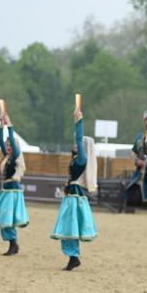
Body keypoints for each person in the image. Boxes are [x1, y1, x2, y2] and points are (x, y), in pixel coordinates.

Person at [50, 104, 97, 270]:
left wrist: (79, 120)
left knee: (70, 226)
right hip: (71, 195)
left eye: (79, 142)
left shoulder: (82, 159)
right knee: (69, 227)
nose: (75, 144)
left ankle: (73, 257)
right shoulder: (77, 158)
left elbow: (79, 138)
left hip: (74, 197)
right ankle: (73, 256)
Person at [0, 111, 29, 254]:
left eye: (11, 145)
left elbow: (13, 146)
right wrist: (1, 126)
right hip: (5, 190)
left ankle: (13, 245)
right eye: (8, 145)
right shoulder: (7, 157)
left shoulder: (16, 157)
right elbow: (0, 140)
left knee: (6, 218)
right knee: (4, 218)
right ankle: (13, 244)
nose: (8, 147)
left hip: (12, 191)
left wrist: (9, 125)